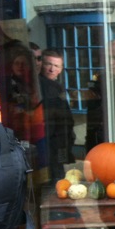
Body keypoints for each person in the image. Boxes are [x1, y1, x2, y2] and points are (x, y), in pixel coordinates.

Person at [39, 49, 75, 182]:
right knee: (55, 179)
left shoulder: (57, 86)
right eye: (48, 64)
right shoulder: (42, 85)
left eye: (56, 66)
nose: (51, 69)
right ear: (41, 64)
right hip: (51, 143)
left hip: (61, 141)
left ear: (61, 69)